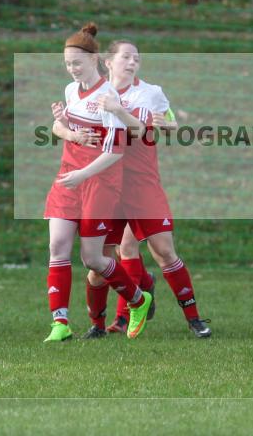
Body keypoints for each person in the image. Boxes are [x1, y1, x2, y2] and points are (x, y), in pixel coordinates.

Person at [83, 40, 212, 338]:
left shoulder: (150, 93)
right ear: (108, 62)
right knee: (104, 258)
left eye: (136, 59)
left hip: (142, 185)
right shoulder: (94, 93)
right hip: (107, 184)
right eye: (126, 57)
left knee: (164, 251)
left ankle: (194, 319)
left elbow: (170, 123)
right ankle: (100, 325)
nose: (132, 62)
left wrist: (167, 126)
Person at [42, 23, 152, 342]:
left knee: (93, 258)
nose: (72, 69)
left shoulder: (108, 97)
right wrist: (68, 128)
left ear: (94, 60)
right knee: (57, 247)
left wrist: (83, 174)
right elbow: (56, 128)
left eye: (77, 62)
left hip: (100, 183)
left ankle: (137, 299)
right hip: (69, 177)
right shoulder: (69, 90)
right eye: (67, 64)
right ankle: (60, 323)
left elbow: (115, 152)